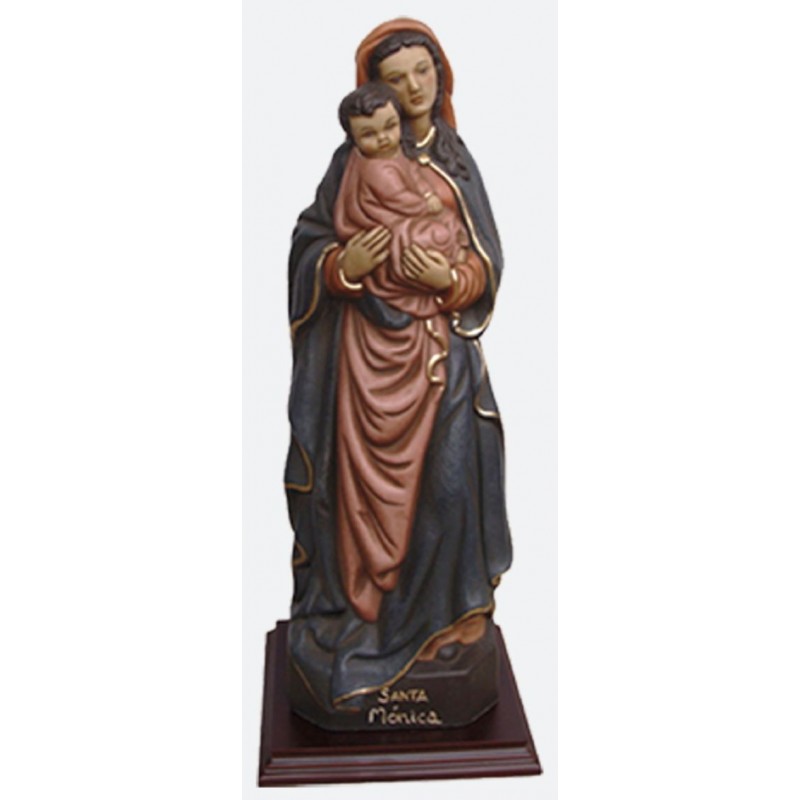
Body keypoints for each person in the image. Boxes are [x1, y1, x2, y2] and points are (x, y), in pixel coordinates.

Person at [285, 18, 511, 716]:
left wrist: (450, 278)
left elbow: (485, 262)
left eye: (424, 70)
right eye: (397, 77)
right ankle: (369, 614)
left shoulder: (454, 159)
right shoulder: (349, 161)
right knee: (358, 499)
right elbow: (310, 244)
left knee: (451, 485)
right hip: (367, 363)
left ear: (442, 74)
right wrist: (340, 267)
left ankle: (450, 617)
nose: (414, 88)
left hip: (441, 358)